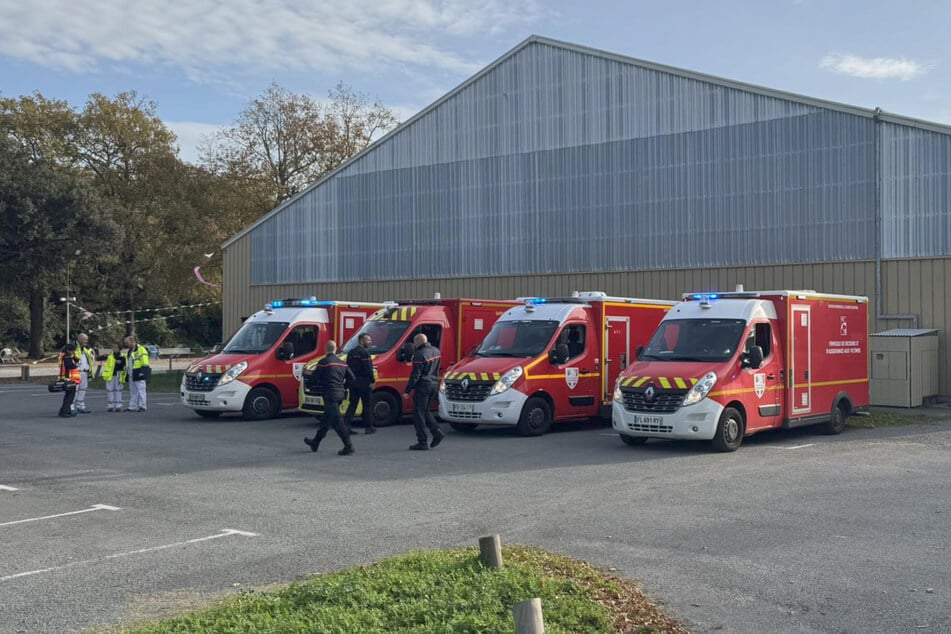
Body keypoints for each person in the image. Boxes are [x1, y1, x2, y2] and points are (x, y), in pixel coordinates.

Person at [304, 340, 356, 455]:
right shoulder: (342, 363)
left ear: (325, 349)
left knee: (337, 421)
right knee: (326, 419)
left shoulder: (323, 362)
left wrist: (308, 386)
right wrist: (344, 387)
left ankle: (348, 445)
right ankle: (315, 442)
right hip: (340, 394)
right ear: (335, 349)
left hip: (329, 394)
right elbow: (352, 378)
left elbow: (315, 378)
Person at [404, 333, 445, 451]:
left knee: (418, 415)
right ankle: (436, 432)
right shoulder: (436, 351)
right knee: (426, 411)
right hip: (433, 384)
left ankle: (422, 442)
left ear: (417, 342)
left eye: (414, 343)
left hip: (423, 386)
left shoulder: (419, 354)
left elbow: (415, 375)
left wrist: (407, 390)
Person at [343, 333, 376, 434]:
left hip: (353, 382)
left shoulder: (351, 352)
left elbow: (347, 368)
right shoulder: (364, 353)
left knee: (353, 404)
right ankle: (368, 427)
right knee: (367, 405)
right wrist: (372, 381)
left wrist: (348, 381)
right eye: (368, 340)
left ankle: (346, 426)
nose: (370, 342)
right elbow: (368, 369)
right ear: (361, 340)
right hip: (364, 383)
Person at [124, 335, 150, 412]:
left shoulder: (141, 349)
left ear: (133, 341)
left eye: (127, 342)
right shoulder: (130, 351)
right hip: (131, 373)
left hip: (139, 372)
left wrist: (143, 371)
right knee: (133, 391)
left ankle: (142, 406)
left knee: (141, 390)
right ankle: (132, 406)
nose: (126, 344)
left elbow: (145, 361)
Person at [74, 333, 96, 413]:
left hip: (85, 372)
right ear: (79, 339)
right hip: (76, 372)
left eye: (87, 339)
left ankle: (80, 406)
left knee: (83, 389)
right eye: (85, 339)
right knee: (74, 390)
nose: (86, 341)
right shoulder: (73, 347)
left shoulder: (86, 349)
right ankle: (71, 407)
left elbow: (89, 360)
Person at [58, 343, 81, 418]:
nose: (74, 352)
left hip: (68, 378)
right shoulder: (67, 358)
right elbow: (71, 366)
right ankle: (65, 412)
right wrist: (75, 365)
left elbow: (77, 360)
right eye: (73, 351)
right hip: (69, 379)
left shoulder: (65, 356)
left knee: (68, 396)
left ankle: (65, 411)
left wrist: (74, 357)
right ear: (68, 350)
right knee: (70, 397)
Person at [101, 343, 126, 412]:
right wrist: (104, 355)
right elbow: (99, 358)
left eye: (116, 347)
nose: (114, 348)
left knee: (118, 390)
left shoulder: (123, 356)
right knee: (109, 390)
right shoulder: (110, 356)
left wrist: (121, 363)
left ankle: (118, 405)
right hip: (110, 375)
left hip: (118, 375)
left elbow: (124, 365)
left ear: (120, 349)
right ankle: (110, 405)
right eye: (113, 347)